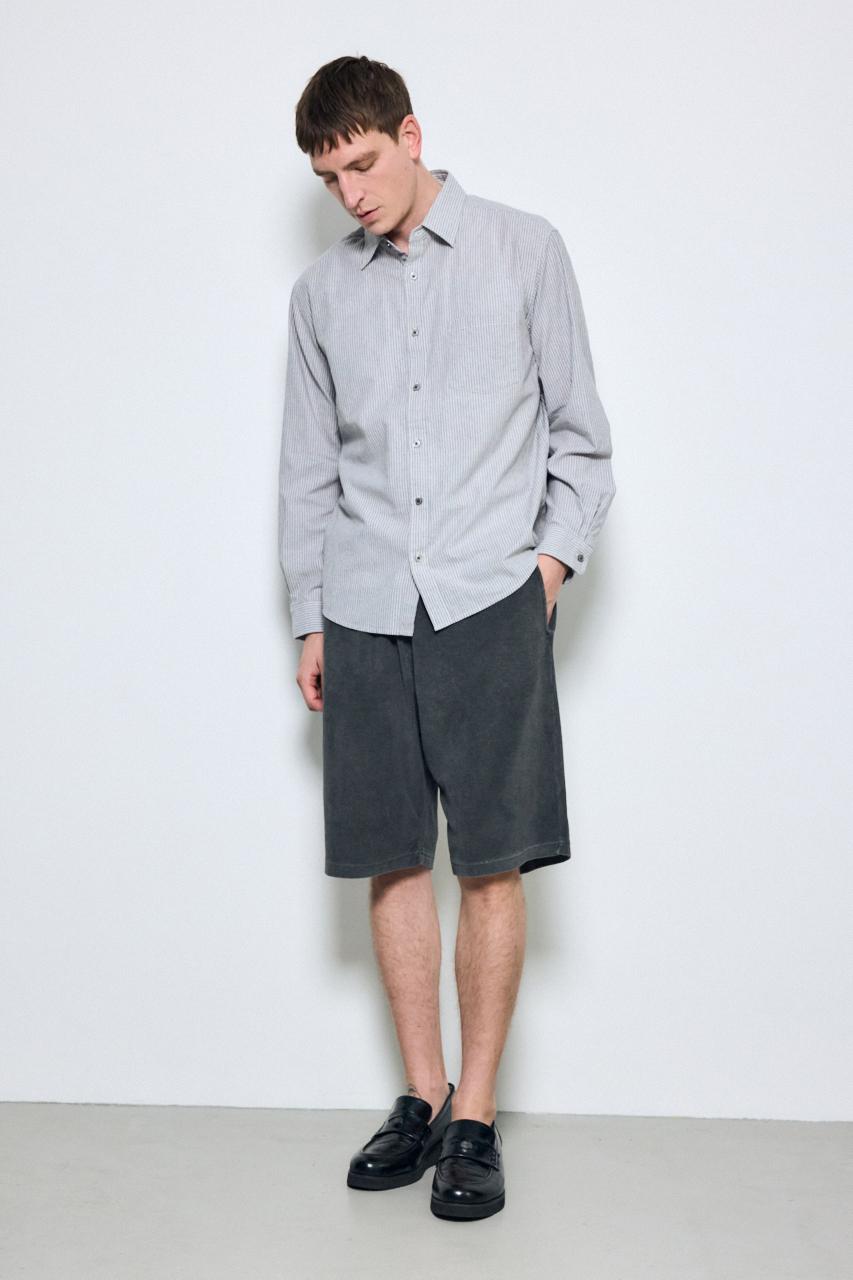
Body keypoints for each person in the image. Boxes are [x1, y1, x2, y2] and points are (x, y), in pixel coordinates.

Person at [278, 55, 616, 1221]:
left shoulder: (526, 249)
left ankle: (476, 1110)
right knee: (389, 855)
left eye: (364, 164)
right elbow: (307, 472)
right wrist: (310, 614)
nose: (352, 193)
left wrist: (544, 573)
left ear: (411, 135)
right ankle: (420, 1094)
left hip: (488, 598)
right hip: (364, 605)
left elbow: (582, 439)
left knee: (489, 859)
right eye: (330, 178)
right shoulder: (320, 295)